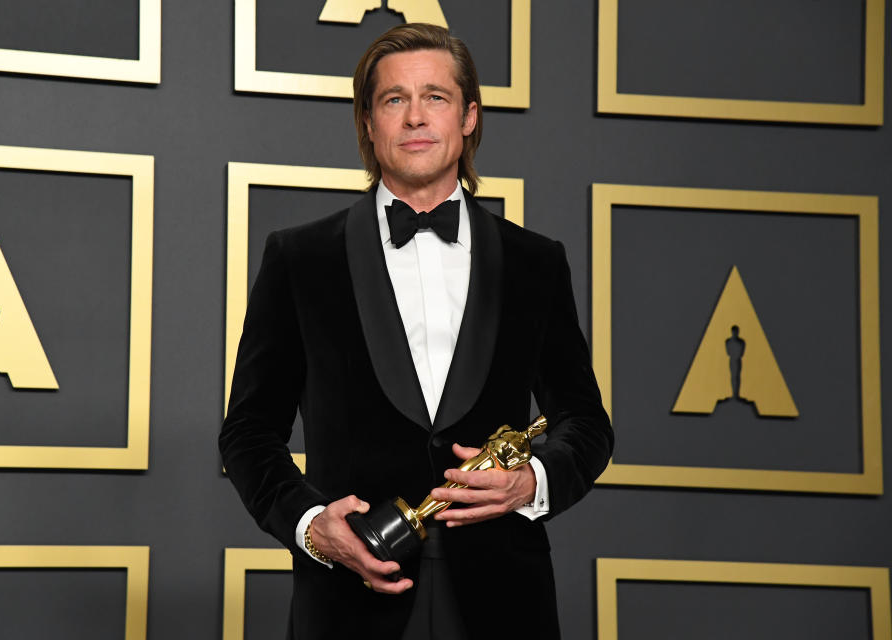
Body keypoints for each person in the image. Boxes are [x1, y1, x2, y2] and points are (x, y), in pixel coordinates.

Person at [220, 23, 613, 640]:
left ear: (469, 118)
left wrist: (531, 482)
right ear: (369, 124)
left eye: (435, 97)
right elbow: (247, 433)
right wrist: (310, 523)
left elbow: (586, 423)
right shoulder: (299, 259)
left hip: (505, 604)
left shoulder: (537, 263)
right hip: (348, 605)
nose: (414, 117)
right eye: (393, 100)